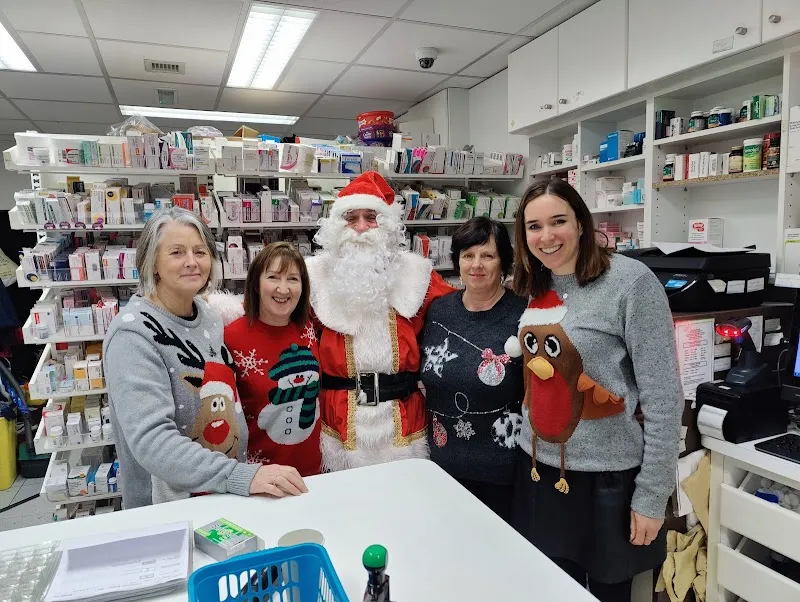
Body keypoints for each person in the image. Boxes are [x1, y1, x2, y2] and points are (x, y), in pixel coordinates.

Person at [505, 179, 682, 602]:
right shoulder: (533, 285)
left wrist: (652, 495)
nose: (546, 237)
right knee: (546, 589)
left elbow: (663, 397)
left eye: (558, 221)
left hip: (607, 479)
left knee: (607, 593)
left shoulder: (630, 283)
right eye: (534, 227)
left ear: (582, 223)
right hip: (538, 471)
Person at [104, 208, 307, 509]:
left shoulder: (209, 316)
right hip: (171, 508)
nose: (191, 262)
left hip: (220, 494)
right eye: (176, 252)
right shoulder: (133, 334)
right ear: (153, 263)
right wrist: (240, 476)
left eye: (200, 251)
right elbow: (152, 442)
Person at [306, 171, 454, 471]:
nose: (361, 227)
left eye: (371, 217)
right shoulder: (312, 275)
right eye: (351, 217)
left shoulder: (417, 275)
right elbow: (268, 309)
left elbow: (462, 310)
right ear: (337, 225)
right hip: (339, 419)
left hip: (401, 417)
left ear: (387, 225)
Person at [420, 217, 526, 523]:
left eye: (488, 256)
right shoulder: (439, 311)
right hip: (442, 466)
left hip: (503, 474)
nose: (476, 265)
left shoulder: (523, 314)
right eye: (468, 255)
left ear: (504, 261)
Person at [219, 242, 322, 476]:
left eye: (293, 279)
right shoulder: (231, 337)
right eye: (274, 277)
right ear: (256, 283)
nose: (283, 289)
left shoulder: (309, 327)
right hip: (260, 476)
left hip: (313, 473)